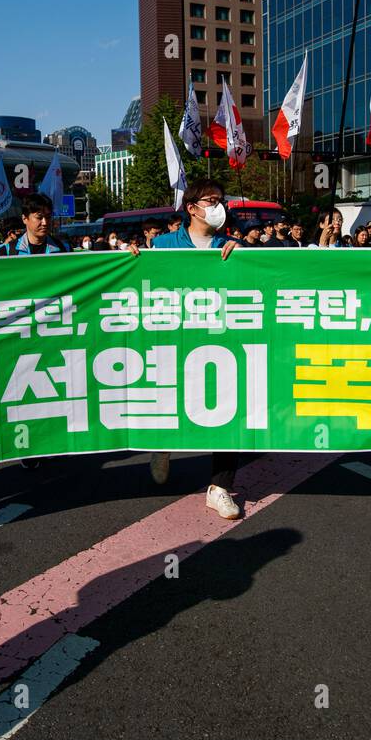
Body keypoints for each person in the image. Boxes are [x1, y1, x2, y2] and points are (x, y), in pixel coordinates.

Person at [132, 180, 241, 518]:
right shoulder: (163, 244)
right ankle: (162, 446)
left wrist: (243, 259)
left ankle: (220, 487)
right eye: (212, 201)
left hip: (219, 341)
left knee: (227, 408)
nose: (218, 207)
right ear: (191, 208)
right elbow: (139, 282)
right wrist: (130, 260)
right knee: (170, 398)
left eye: (221, 201)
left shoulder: (231, 246)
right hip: (174, 338)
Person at [0, 194, 72, 256]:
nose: (45, 222)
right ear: (25, 219)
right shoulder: (4, 252)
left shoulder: (63, 249)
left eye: (48, 217)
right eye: (39, 217)